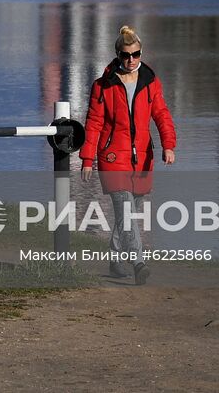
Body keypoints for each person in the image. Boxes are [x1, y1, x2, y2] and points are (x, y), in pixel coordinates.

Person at [80, 24, 176, 284]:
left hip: (142, 158)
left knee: (129, 213)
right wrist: (87, 159)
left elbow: (161, 114)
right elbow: (94, 123)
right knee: (124, 209)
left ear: (141, 53)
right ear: (117, 55)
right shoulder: (103, 85)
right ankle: (138, 262)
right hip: (112, 157)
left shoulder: (151, 82)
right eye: (126, 55)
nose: (131, 60)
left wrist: (169, 144)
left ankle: (114, 259)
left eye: (136, 54)